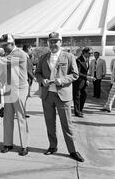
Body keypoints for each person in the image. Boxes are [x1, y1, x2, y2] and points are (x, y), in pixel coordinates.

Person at [35, 32, 84, 162]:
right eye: (51, 41)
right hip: (47, 95)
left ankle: (73, 150)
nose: (53, 44)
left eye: (56, 41)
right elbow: (37, 73)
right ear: (48, 43)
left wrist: (62, 80)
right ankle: (52, 146)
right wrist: (42, 80)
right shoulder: (43, 57)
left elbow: (75, 74)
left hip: (63, 95)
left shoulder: (69, 56)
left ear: (60, 42)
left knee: (67, 125)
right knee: (50, 123)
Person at [0, 34, 29, 156]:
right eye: (2, 45)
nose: (4, 47)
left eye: (5, 45)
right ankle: (7, 143)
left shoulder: (19, 54)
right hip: (10, 88)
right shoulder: (8, 54)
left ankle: (25, 145)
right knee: (8, 117)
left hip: (20, 89)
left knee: (21, 117)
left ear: (12, 43)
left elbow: (1, 61)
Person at [72, 47, 93, 118]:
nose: (91, 54)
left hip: (83, 82)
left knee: (84, 95)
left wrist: (86, 80)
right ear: (84, 53)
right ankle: (77, 112)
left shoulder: (87, 60)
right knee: (77, 97)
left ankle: (80, 110)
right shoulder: (78, 60)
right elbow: (78, 73)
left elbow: (85, 71)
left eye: (91, 53)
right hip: (77, 82)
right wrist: (88, 77)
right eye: (89, 53)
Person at [22, 45, 35, 117]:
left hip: (28, 80)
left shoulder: (28, 57)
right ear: (27, 49)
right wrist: (33, 77)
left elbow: (30, 68)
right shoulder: (24, 57)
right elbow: (26, 69)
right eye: (31, 49)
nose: (32, 50)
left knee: (25, 98)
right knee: (23, 98)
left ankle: (23, 112)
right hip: (25, 80)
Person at [102, 46, 115, 112]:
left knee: (112, 94)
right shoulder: (113, 60)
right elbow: (112, 69)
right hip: (114, 80)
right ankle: (108, 106)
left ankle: (107, 106)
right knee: (111, 94)